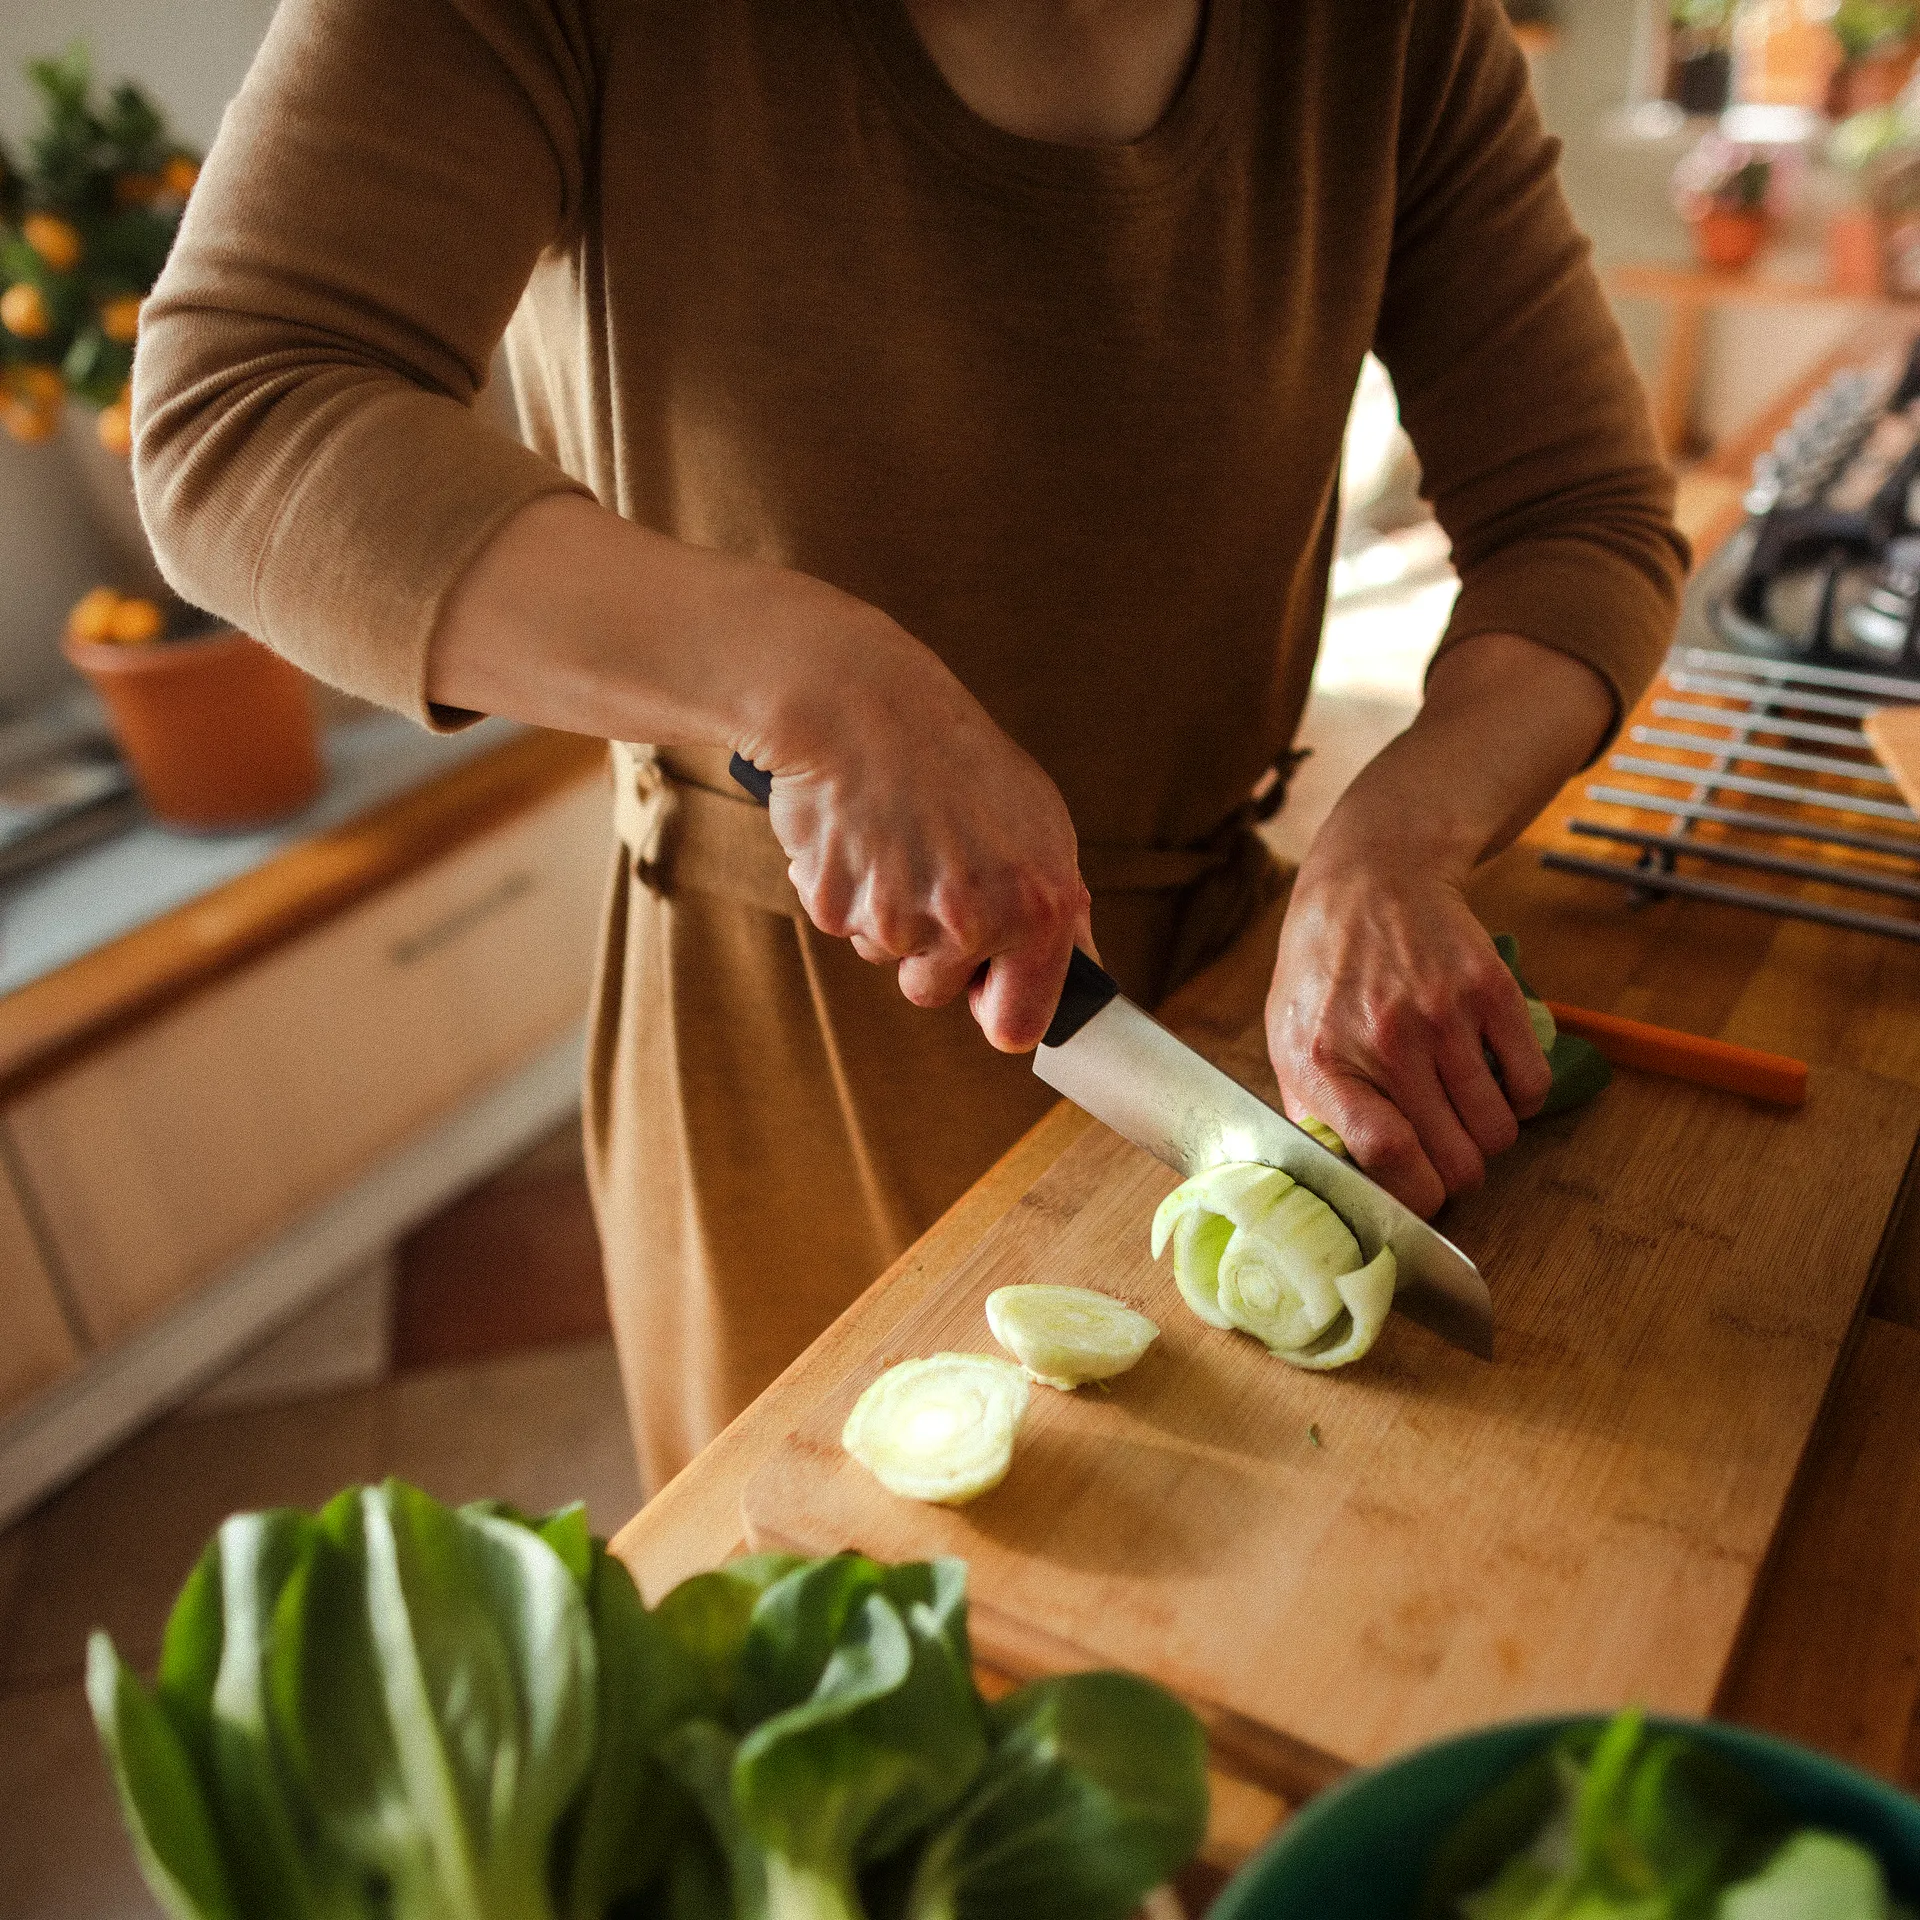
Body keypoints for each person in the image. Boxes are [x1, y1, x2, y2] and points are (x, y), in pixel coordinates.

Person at [134, 0, 1686, 1490]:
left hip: (1222, 987)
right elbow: (241, 413)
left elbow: (1583, 515)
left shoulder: (1398, 27)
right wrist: (815, 685)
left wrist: (1397, 843)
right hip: (781, 1058)